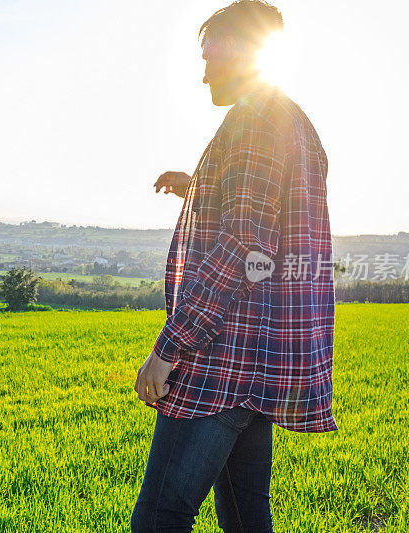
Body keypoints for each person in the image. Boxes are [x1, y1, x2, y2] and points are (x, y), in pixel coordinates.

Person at [130, 1, 339, 532]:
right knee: (246, 520)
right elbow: (269, 220)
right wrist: (195, 186)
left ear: (244, 52)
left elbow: (246, 249)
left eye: (210, 57)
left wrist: (170, 347)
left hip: (224, 359)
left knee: (158, 519)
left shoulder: (252, 121)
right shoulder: (288, 120)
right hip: (260, 361)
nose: (202, 75)